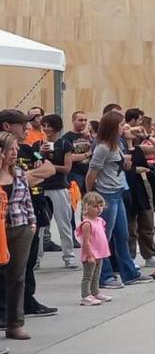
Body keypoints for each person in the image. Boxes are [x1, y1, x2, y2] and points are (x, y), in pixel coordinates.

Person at [85, 111, 153, 289]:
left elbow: (118, 167)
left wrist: (126, 164)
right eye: (121, 125)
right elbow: (91, 174)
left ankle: (129, 273)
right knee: (103, 238)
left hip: (117, 192)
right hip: (105, 195)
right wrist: (91, 196)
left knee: (122, 236)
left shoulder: (118, 145)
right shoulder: (102, 147)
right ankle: (103, 276)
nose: (124, 128)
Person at [1, 131, 52, 340]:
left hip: (20, 226)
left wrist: (32, 223)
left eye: (15, 149)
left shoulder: (20, 173)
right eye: (9, 150)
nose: (14, 153)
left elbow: (26, 200)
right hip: (1, 229)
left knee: (17, 276)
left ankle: (15, 323)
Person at [125, 118, 155, 267]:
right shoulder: (119, 148)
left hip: (142, 184)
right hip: (129, 186)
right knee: (131, 226)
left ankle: (150, 255)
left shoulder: (139, 148)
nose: (132, 131)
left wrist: (147, 135)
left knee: (147, 223)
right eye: (128, 129)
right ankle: (130, 256)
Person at [41, 114, 79, 269]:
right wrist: (41, 157)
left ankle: (69, 257)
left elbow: (67, 168)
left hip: (59, 187)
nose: (46, 128)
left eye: (49, 125)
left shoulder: (64, 144)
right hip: (42, 187)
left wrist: (51, 166)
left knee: (64, 223)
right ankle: (36, 259)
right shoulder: (39, 144)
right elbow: (35, 164)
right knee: (40, 226)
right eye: (44, 125)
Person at [75, 192, 113, 306]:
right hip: (90, 254)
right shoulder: (87, 224)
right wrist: (89, 255)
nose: (99, 209)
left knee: (97, 275)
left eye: (101, 206)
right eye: (95, 206)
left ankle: (95, 292)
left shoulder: (100, 221)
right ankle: (85, 295)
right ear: (86, 207)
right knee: (88, 276)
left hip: (99, 253)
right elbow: (86, 242)